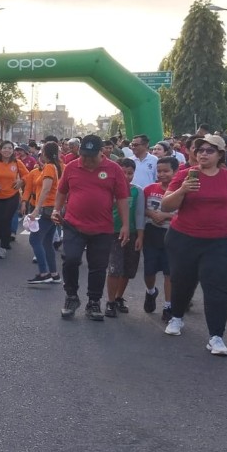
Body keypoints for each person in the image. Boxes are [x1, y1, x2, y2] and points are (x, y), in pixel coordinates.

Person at [160, 134, 227, 356]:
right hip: (183, 238)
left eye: (209, 150)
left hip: (220, 240)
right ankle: (176, 316)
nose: (203, 154)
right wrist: (183, 190)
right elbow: (166, 205)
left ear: (220, 154)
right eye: (199, 150)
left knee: (217, 287)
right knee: (182, 280)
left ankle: (216, 336)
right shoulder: (184, 175)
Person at [53, 135, 130, 321]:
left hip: (102, 228)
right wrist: (56, 210)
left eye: (91, 156)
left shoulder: (114, 169)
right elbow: (62, 191)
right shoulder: (72, 167)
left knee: (98, 267)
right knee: (70, 260)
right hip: (73, 224)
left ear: (101, 152)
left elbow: (122, 198)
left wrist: (125, 225)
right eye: (84, 155)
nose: (87, 160)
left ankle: (94, 301)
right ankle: (71, 296)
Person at [104, 159, 145, 318]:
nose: (126, 176)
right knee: (114, 268)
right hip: (113, 233)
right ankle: (110, 301)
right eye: (123, 173)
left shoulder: (137, 191)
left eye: (130, 173)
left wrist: (140, 236)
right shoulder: (108, 189)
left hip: (132, 233)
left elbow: (140, 214)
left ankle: (118, 297)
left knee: (128, 269)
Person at [142, 156, 178, 321]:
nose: (162, 174)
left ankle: (168, 305)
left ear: (175, 172)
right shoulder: (149, 189)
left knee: (169, 272)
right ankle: (151, 292)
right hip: (151, 234)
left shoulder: (179, 192)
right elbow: (141, 210)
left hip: (172, 235)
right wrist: (152, 214)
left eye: (166, 171)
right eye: (159, 171)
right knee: (149, 270)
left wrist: (166, 216)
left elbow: (185, 215)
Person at [24, 141, 62, 284]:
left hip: (47, 208)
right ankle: (54, 273)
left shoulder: (49, 167)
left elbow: (46, 189)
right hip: (51, 207)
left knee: (34, 239)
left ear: (45, 153)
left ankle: (44, 272)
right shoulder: (53, 166)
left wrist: (36, 209)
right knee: (47, 242)